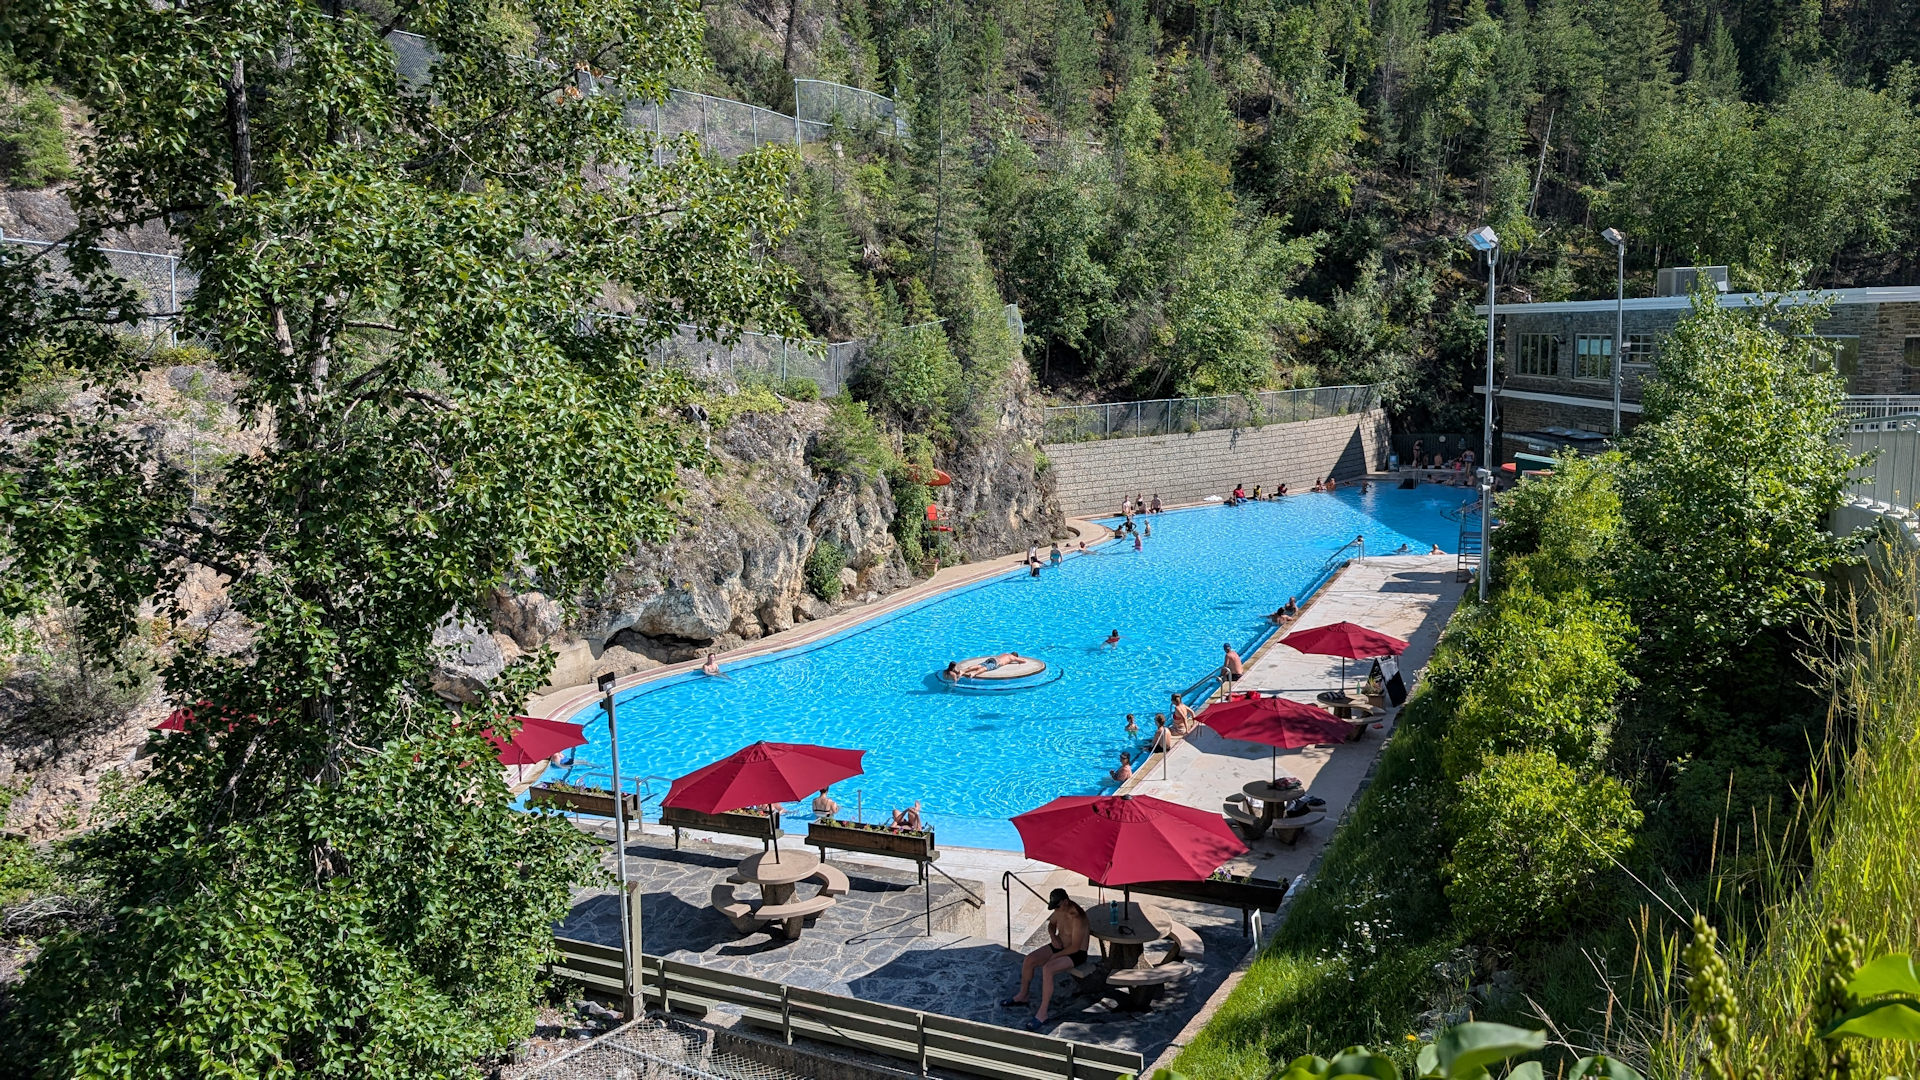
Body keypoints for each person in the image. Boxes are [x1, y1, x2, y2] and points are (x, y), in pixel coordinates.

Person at [1005, 889, 1090, 1027]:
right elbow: (1051, 925)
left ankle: (1042, 1013)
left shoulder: (1077, 917)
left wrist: (1055, 956)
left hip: (1076, 953)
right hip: (1059, 945)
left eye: (1057, 906)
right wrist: (1053, 936)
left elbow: (1075, 947)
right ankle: (1023, 995)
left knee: (1048, 969)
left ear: (1065, 901)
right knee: (1029, 960)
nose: (1056, 909)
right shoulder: (1059, 909)